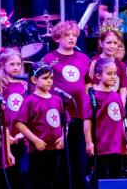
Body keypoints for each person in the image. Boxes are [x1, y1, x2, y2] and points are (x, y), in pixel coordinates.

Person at [40, 20, 91, 188]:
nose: (72, 39)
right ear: (57, 38)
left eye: (74, 35)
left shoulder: (83, 58)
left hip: (80, 115)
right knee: (60, 160)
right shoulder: (49, 58)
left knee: (79, 159)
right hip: (60, 116)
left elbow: (88, 83)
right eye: (67, 35)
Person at [16, 62, 66, 189]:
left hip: (55, 148)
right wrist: (35, 140)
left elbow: (65, 122)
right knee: (39, 181)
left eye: (51, 78)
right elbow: (20, 124)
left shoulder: (57, 100)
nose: (50, 81)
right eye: (45, 78)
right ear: (34, 79)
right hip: (38, 150)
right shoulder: (30, 101)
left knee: (54, 180)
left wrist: (63, 137)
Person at [85, 58, 127, 179]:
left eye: (115, 74)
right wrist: (89, 142)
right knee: (102, 178)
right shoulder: (93, 95)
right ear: (98, 75)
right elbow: (87, 121)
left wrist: (125, 142)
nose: (113, 76)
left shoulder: (116, 96)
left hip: (117, 146)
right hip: (102, 146)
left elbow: (120, 122)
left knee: (116, 177)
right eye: (109, 73)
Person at [0, 49, 28, 188]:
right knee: (5, 174)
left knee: (21, 174)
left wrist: (22, 134)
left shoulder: (25, 85)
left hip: (22, 136)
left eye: (18, 64)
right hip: (4, 136)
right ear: (3, 65)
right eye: (12, 64)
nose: (16, 67)